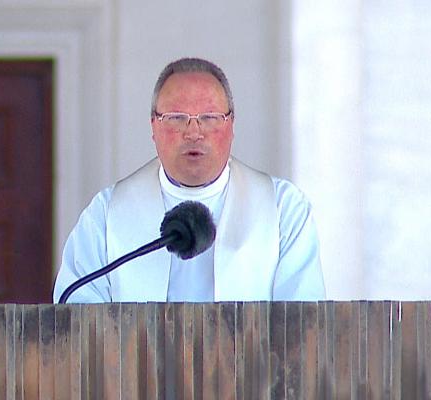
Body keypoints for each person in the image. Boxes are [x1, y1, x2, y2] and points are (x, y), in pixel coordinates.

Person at [53, 57, 325, 303]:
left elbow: (303, 324)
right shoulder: (107, 213)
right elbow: (76, 310)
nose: (193, 132)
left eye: (209, 118)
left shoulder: (282, 209)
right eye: (176, 118)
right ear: (153, 126)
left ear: (232, 126)